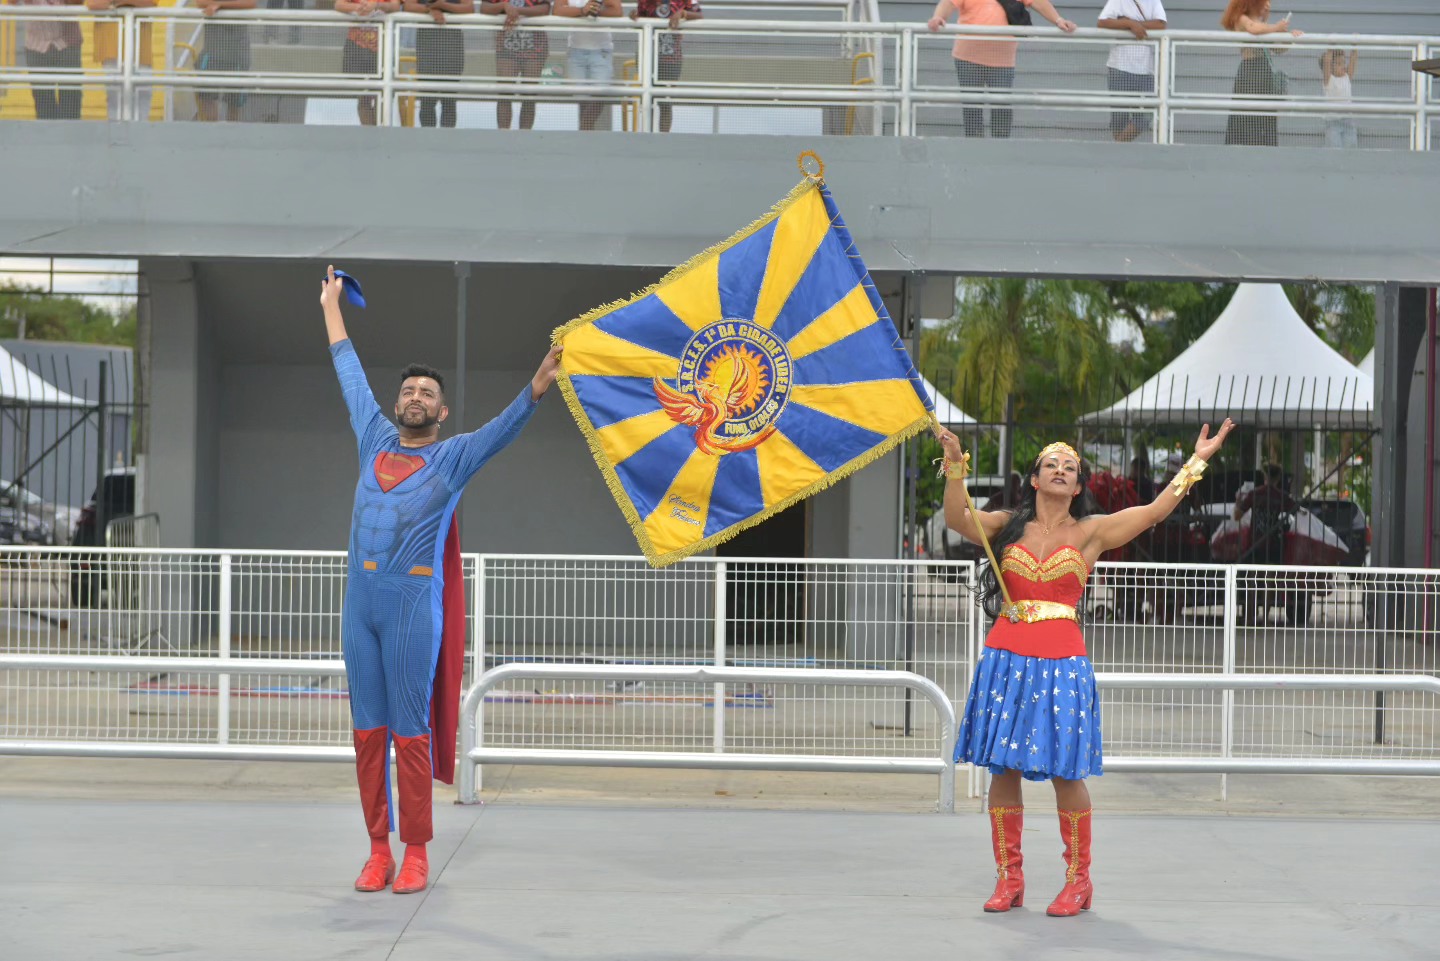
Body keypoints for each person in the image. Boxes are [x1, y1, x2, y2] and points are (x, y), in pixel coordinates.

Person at [319, 265, 562, 893]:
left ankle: (417, 851)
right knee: (367, 733)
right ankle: (378, 848)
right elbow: (349, 372)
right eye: (410, 390)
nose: (416, 397)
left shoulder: (451, 458)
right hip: (359, 610)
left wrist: (535, 388)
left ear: (442, 409)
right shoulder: (373, 435)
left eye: (428, 392)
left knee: (409, 729)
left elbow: (499, 434)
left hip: (409, 613)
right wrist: (331, 305)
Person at [936, 419, 1234, 916]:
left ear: (1077, 486)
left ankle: (1079, 881)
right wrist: (953, 466)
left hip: (1062, 663)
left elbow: (1156, 510)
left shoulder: (1092, 533)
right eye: (1050, 464)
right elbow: (956, 519)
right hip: (1006, 658)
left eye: (1069, 467)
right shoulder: (1007, 524)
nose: (1059, 469)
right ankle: (1009, 879)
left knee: (1065, 772)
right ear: (1034, 480)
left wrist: (1197, 460)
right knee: (1003, 768)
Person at [926, 0, 1077, 140]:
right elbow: (948, 3)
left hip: (1003, 60)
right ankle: (974, 148)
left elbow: (1038, 2)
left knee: (1002, 106)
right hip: (968, 57)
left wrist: (1058, 20)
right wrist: (938, 17)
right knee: (972, 106)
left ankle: (1001, 148)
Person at [1220, 0, 1302, 147]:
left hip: (1265, 73)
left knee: (1265, 116)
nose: (1268, 5)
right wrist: (1276, 27)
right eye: (1265, 1)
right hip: (1250, 72)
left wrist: (1291, 36)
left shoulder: (1265, 25)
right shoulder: (1242, 19)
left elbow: (1278, 49)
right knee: (1248, 116)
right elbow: (1253, 29)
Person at [1096, 0, 1165, 143]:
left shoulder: (1154, 1)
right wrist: (1129, 25)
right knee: (1119, 117)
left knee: (1146, 114)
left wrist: (1131, 23)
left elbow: (1161, 24)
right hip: (1119, 67)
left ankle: (1117, 147)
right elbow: (1102, 22)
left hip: (1146, 69)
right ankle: (1120, 153)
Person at [479, 0, 551, 130]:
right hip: (506, 48)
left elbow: (545, 8)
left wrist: (516, 11)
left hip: (535, 49)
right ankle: (504, 137)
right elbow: (484, 7)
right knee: (504, 94)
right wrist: (503, 6)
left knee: (529, 95)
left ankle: (525, 137)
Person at [632, 0, 702, 133]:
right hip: (647, 55)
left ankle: (664, 139)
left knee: (665, 102)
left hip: (671, 57)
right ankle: (648, 139)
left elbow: (699, 15)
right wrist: (634, 16)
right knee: (647, 101)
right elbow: (640, 20)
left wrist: (682, 13)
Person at [404, 0, 474, 128]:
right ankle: (428, 142)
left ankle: (447, 143)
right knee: (427, 101)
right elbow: (408, 6)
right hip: (427, 46)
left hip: (452, 45)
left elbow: (469, 8)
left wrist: (443, 6)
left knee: (449, 100)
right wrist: (430, 10)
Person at [555, 0, 621, 131]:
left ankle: (584, 129)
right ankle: (586, 136)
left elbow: (617, 11)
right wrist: (582, 11)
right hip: (576, 49)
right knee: (581, 97)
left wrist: (597, 11)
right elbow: (557, 10)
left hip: (601, 50)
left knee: (601, 92)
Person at [86, 0, 157, 121]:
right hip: (111, 46)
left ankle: (139, 135)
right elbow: (94, 4)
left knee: (143, 93)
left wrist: (114, 3)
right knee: (115, 95)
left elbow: (150, 3)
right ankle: (116, 135)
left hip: (140, 47)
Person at [336, 0, 401, 125]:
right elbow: (339, 5)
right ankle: (369, 136)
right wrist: (358, 7)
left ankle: (380, 134)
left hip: (383, 48)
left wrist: (377, 5)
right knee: (364, 97)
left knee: (384, 96)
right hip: (357, 47)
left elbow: (395, 6)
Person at [195, 0, 258, 122]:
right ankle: (212, 135)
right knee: (207, 98)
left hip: (237, 53)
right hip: (212, 51)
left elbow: (250, 3)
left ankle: (231, 136)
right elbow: (200, 2)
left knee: (234, 102)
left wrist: (220, 4)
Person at [22, 0, 84, 121]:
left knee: (70, 102)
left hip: (67, 42)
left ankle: (70, 137)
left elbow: (78, 2)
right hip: (36, 44)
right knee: (43, 102)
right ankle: (47, 137)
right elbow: (12, 2)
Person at [1233, 463, 1298, 563]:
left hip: (1255, 543)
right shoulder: (1282, 497)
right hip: (1274, 545)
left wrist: (1238, 502)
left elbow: (1237, 516)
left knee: (1253, 575)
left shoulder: (1254, 494)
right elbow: (1297, 511)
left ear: (1265, 476)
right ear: (1278, 478)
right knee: (1272, 575)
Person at [1319, 47, 1358, 148]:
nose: (1343, 66)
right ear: (1330, 68)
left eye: (1344, 63)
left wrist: (1354, 46)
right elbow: (1327, 62)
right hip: (1333, 122)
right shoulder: (1329, 80)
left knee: (1350, 149)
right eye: (1339, 64)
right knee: (1334, 150)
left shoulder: (1347, 77)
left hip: (1348, 121)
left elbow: (1353, 60)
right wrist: (1330, 49)